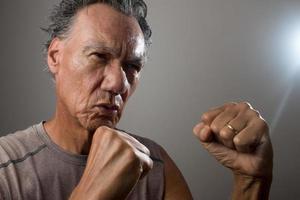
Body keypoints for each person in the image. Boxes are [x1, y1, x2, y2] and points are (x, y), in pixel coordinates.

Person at [0, 0, 273, 199]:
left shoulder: (155, 164)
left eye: (132, 66)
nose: (119, 83)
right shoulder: (6, 168)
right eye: (99, 56)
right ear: (55, 57)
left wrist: (251, 183)